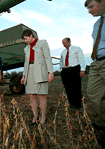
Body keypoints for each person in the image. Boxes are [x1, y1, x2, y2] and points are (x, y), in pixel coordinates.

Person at [20, 29, 54, 125]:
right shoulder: (26, 49)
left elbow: (48, 57)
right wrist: (24, 76)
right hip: (29, 71)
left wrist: (50, 72)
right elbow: (26, 63)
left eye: (26, 39)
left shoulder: (42, 43)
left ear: (31, 36)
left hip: (40, 71)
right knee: (32, 96)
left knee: (41, 95)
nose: (25, 41)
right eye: (24, 40)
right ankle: (35, 116)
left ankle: (43, 117)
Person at [85, 0, 105, 131]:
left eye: (91, 6)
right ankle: (102, 122)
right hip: (97, 62)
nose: (89, 11)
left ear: (103, 2)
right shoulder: (97, 24)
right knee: (93, 93)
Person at [60, 38, 86, 110]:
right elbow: (61, 62)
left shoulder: (77, 49)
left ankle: (78, 104)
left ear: (69, 42)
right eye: (63, 43)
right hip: (65, 71)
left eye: (65, 43)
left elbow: (81, 59)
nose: (64, 45)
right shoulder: (63, 52)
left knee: (76, 88)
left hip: (74, 69)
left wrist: (82, 70)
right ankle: (71, 104)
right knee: (68, 88)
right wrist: (61, 69)